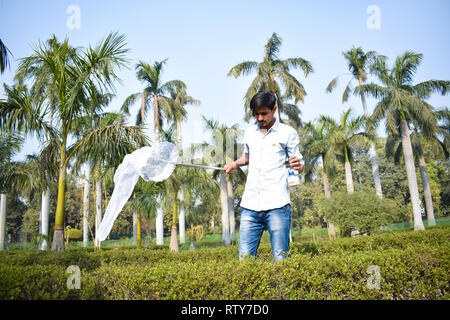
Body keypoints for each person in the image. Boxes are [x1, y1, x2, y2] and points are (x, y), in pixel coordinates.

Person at [225, 91, 304, 261]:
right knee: (245, 260)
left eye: (263, 113)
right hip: (250, 206)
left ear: (274, 109)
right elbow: (247, 157)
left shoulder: (287, 133)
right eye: (256, 114)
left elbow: (299, 163)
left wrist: (298, 165)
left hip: (277, 205)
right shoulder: (250, 132)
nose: (260, 118)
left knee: (281, 259)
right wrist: (234, 164)